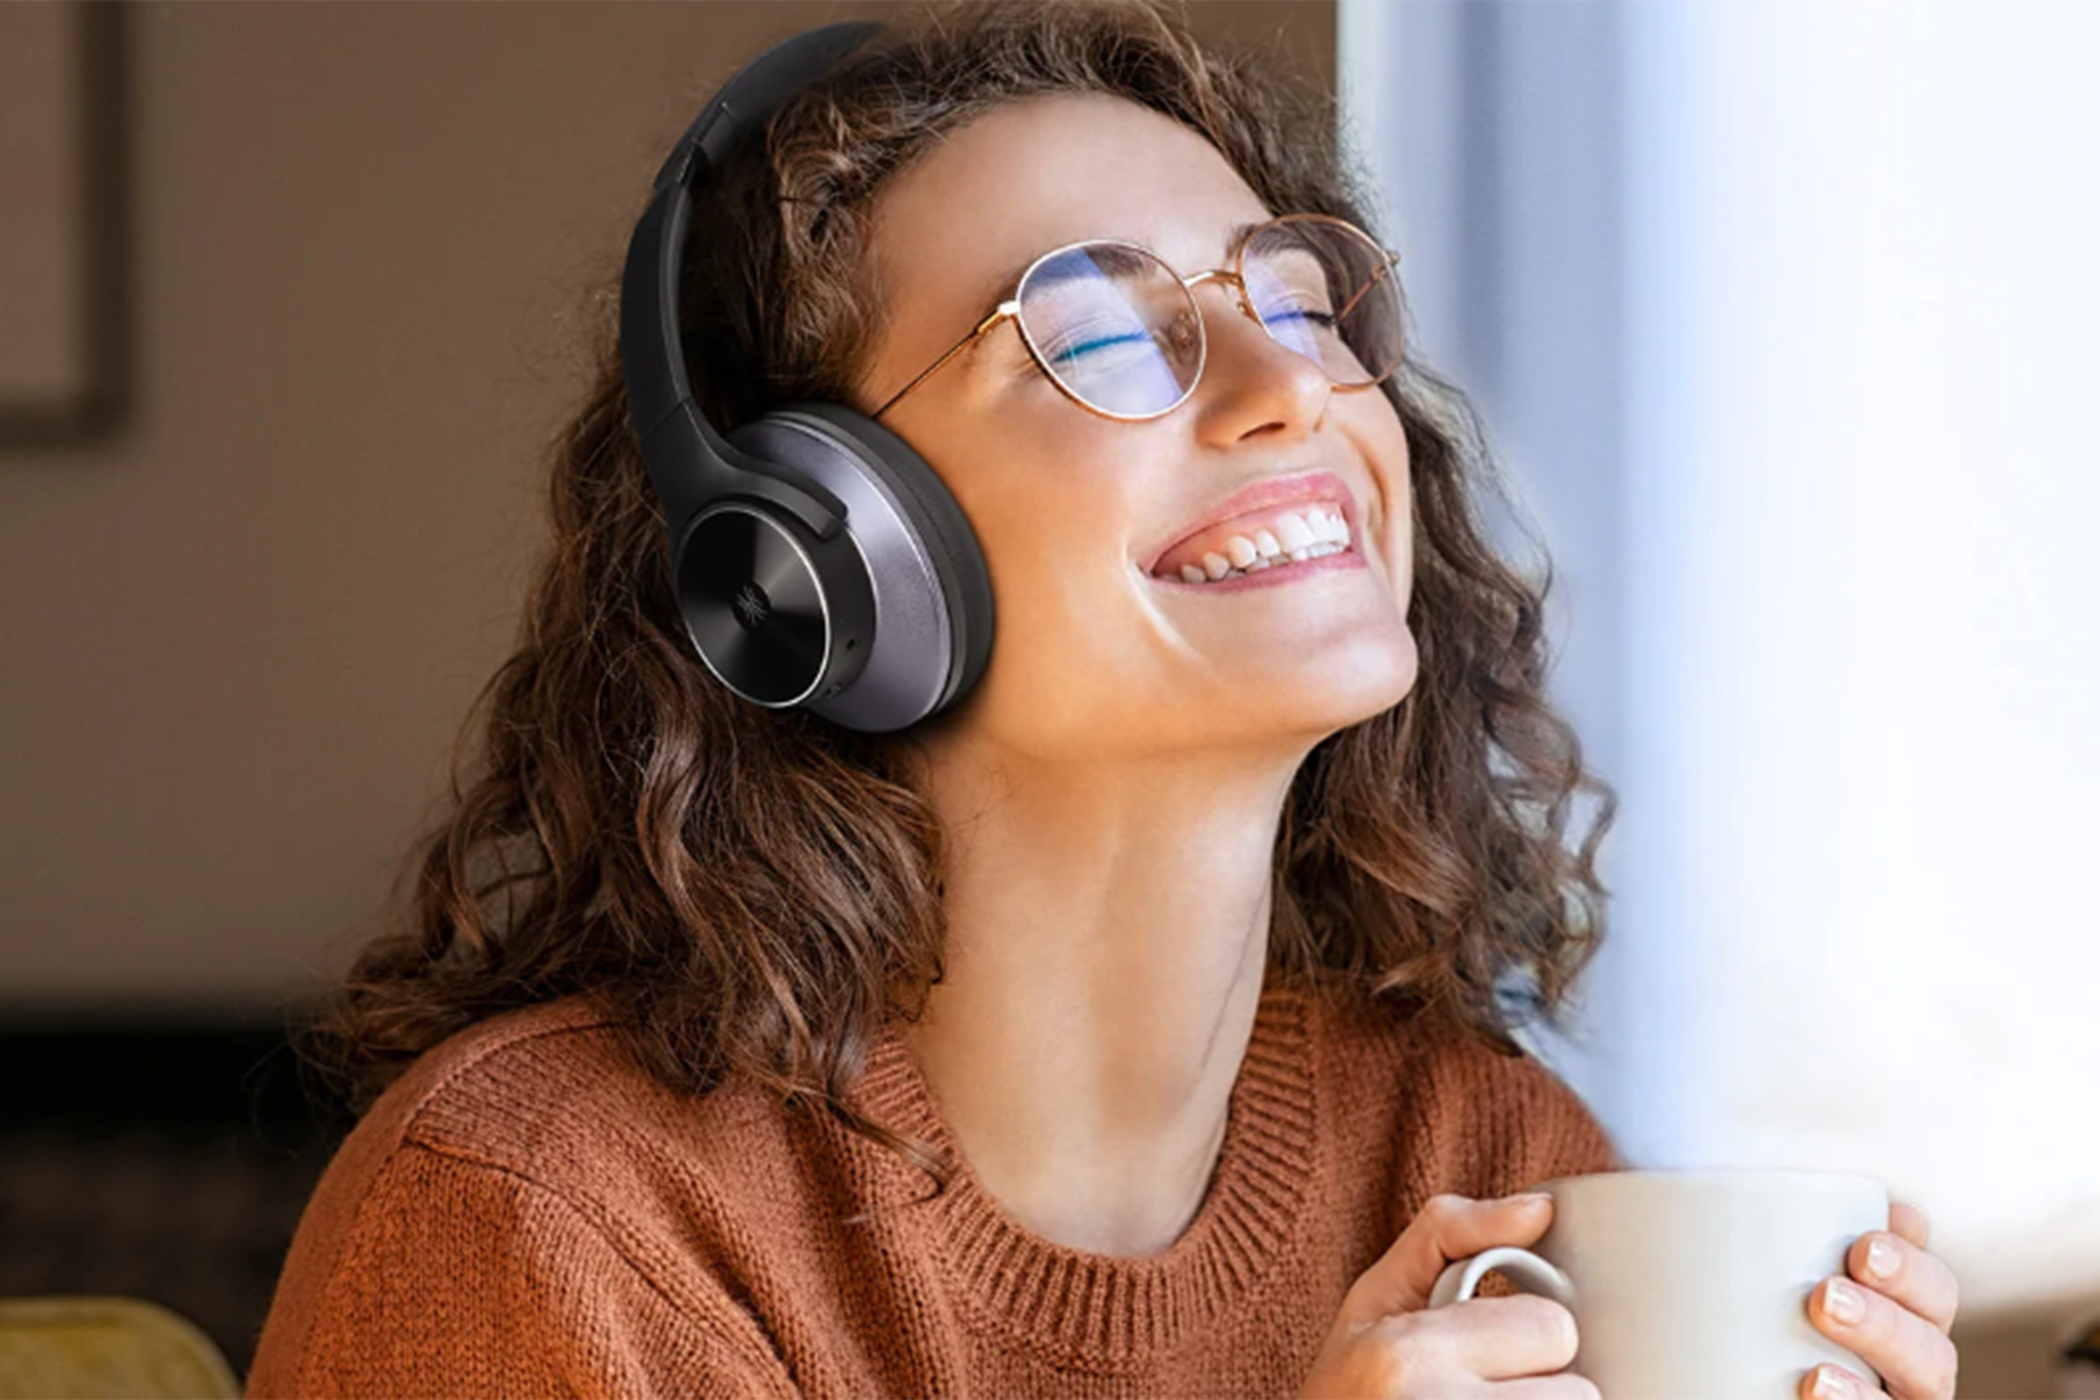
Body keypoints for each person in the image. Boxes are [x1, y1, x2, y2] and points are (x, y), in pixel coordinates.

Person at [247, 2, 1961, 1397]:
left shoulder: (1477, 1154)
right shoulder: (556, 1227)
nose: (1294, 383)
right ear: (829, 559)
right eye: (1096, 326)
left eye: (1295, 296)